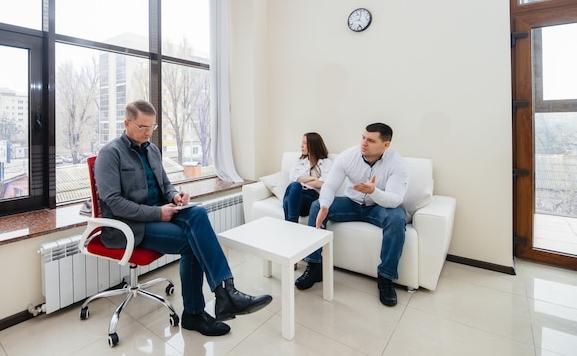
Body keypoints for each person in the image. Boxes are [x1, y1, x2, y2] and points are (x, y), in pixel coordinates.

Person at [94, 100, 272, 337]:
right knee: (192, 243)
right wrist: (158, 213)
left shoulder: (151, 149)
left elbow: (165, 184)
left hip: (160, 213)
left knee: (197, 212)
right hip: (130, 226)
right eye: (142, 127)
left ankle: (225, 291)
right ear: (126, 123)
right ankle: (198, 311)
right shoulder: (110, 154)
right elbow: (114, 203)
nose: (148, 133)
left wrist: (175, 197)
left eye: (152, 128)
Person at [294, 123, 409, 307]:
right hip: (351, 203)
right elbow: (330, 186)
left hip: (378, 206)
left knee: (396, 218)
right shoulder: (348, 156)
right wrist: (325, 205)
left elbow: (395, 199)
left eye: (371, 140)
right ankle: (315, 267)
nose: (364, 143)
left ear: (385, 145)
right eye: (363, 137)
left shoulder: (398, 164)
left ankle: (385, 279)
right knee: (317, 206)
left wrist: (374, 192)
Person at [282, 132, 332, 223]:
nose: (301, 146)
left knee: (287, 201)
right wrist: (313, 178)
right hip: (296, 192)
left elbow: (322, 183)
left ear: (313, 145)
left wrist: (302, 179)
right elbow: (292, 177)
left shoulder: (326, 163)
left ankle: (290, 224)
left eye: (305, 143)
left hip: (310, 197)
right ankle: (293, 222)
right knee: (295, 186)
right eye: (302, 143)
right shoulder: (300, 161)